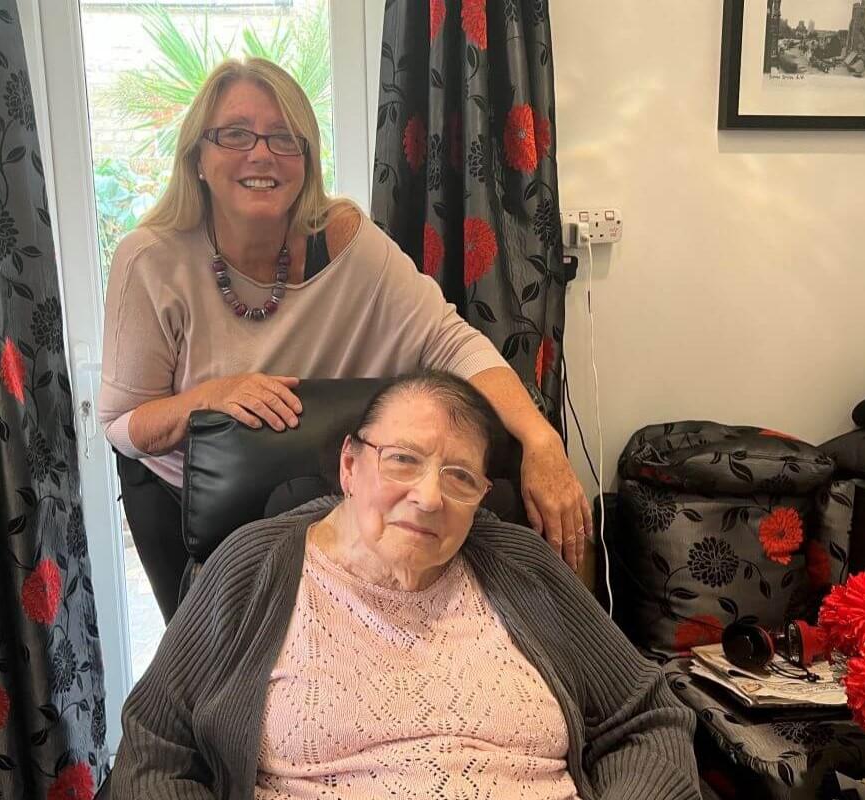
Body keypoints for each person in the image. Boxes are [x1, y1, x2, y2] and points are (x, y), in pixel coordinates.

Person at [99, 56, 591, 620]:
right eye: (235, 135)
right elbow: (121, 424)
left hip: (314, 488)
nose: (261, 154)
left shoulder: (347, 240)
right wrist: (208, 397)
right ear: (198, 159)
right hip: (187, 499)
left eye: (285, 139)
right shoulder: (150, 259)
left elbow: (451, 340)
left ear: (307, 162)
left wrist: (541, 440)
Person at [111, 372, 699, 800]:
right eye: (401, 460)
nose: (428, 497)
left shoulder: (521, 565)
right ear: (349, 465)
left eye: (460, 476)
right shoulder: (253, 566)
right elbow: (155, 748)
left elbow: (647, 718)